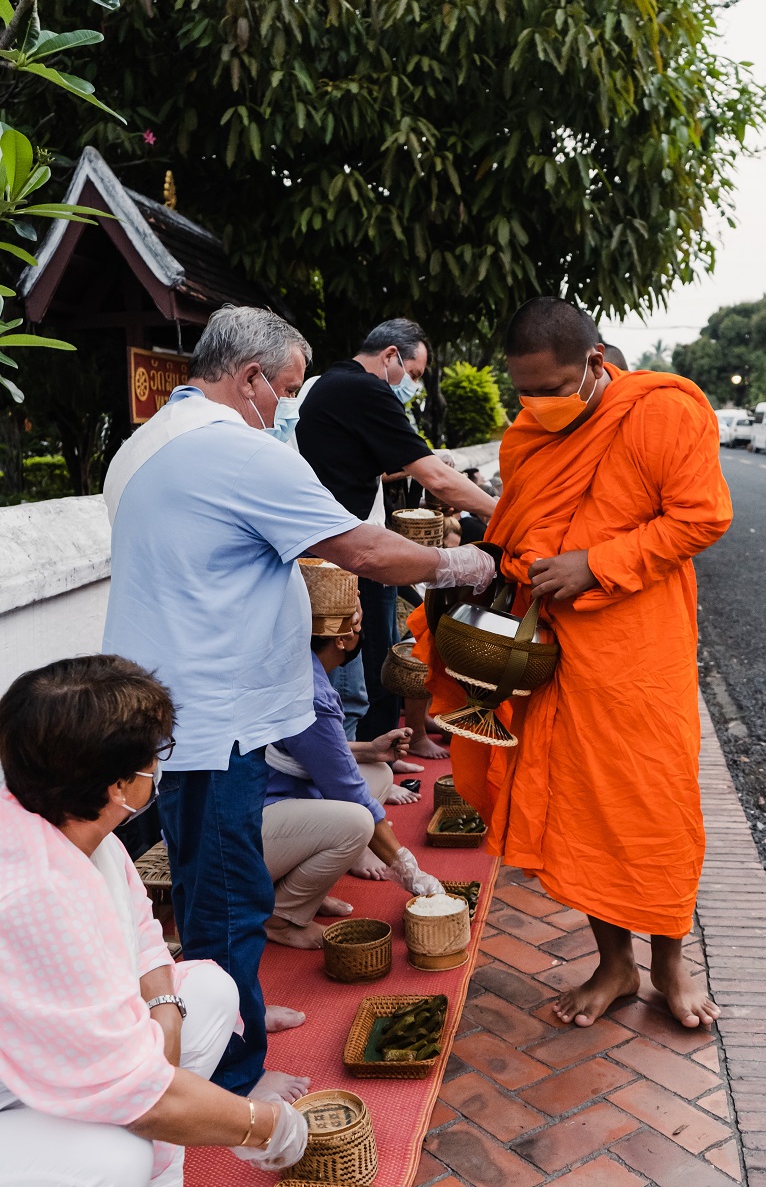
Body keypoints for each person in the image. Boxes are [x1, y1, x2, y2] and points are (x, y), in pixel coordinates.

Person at [102, 305, 494, 1098]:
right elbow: (364, 549)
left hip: (174, 709)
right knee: (225, 896)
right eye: (283, 391)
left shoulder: (144, 444)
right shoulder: (236, 449)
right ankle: (236, 1078)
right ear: (248, 379)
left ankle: (234, 1013)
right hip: (216, 717)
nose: (288, 410)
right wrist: (466, 566)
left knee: (221, 882)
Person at [411, 296, 732, 1030]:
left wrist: (596, 563)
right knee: (577, 811)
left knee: (653, 806)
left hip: (637, 652)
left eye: (553, 390)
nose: (539, 405)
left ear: (594, 363)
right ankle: (614, 964)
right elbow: (520, 524)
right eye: (526, 391)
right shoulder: (528, 434)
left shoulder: (661, 410)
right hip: (552, 652)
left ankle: (669, 966)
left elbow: (701, 516)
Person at [0, 656, 309, 1187]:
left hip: (61, 1062)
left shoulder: (74, 829)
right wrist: (267, 1127)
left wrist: (163, 1016)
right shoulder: (35, 892)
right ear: (119, 787)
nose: (159, 768)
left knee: (210, 987)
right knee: (117, 1160)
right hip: (13, 1093)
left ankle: (164, 1152)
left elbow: (147, 941)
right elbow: (135, 1094)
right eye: (155, 756)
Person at [296, 318, 497, 741]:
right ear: (390, 356)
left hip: (323, 550)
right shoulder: (365, 389)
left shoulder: (328, 384)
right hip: (344, 554)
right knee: (351, 680)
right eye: (415, 374)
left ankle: (366, 760)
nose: (413, 385)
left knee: (347, 671)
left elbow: (371, 464)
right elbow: (436, 480)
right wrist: (503, 513)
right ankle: (361, 773)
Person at [262, 620, 443, 948]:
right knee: (358, 820)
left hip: (269, 807)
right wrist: (410, 871)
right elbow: (349, 793)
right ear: (343, 638)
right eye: (359, 620)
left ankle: (303, 898)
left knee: (380, 773)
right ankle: (280, 917)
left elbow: (311, 750)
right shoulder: (311, 691)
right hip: (243, 833)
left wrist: (370, 749)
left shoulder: (292, 662)